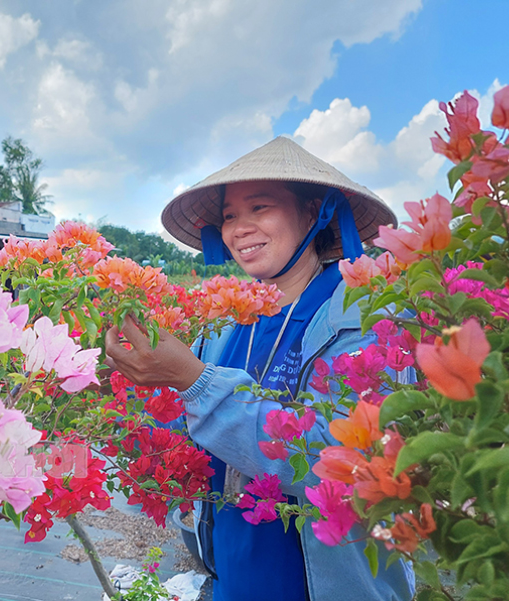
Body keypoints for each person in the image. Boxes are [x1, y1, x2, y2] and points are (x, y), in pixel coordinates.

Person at [106, 136, 415, 601]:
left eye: (261, 207)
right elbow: (184, 432)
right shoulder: (222, 326)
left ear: (314, 213)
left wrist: (193, 381)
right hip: (235, 576)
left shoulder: (365, 321)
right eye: (230, 216)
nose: (239, 228)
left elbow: (335, 460)